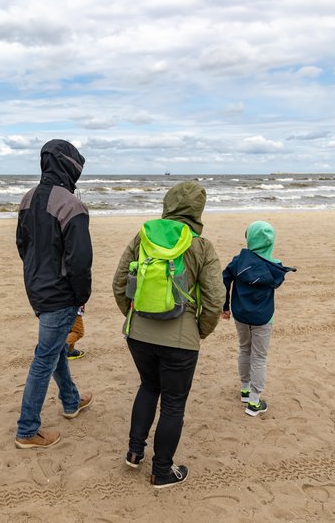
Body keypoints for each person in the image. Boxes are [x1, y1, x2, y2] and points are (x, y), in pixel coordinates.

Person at [112, 181, 223, 488]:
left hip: (139, 334)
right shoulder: (201, 245)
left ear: (168, 203)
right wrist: (200, 331)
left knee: (148, 386)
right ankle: (162, 471)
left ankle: (135, 453)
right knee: (174, 403)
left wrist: (132, 317)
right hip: (181, 340)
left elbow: (119, 282)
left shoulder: (143, 236)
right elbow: (215, 299)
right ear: (197, 210)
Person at [15, 139, 93, 449]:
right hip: (60, 293)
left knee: (56, 346)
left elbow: (23, 246)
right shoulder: (71, 205)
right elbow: (79, 261)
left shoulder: (28, 198)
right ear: (70, 166)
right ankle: (27, 429)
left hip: (36, 287)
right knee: (44, 357)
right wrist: (81, 295)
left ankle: (71, 401)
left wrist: (36, 276)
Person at [221, 220, 295, 417]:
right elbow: (276, 280)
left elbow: (224, 279)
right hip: (263, 317)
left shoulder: (239, 261)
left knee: (245, 349)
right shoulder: (275, 267)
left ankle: (245, 389)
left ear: (250, 238)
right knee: (259, 356)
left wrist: (224, 306)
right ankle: (254, 401)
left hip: (240, 314)